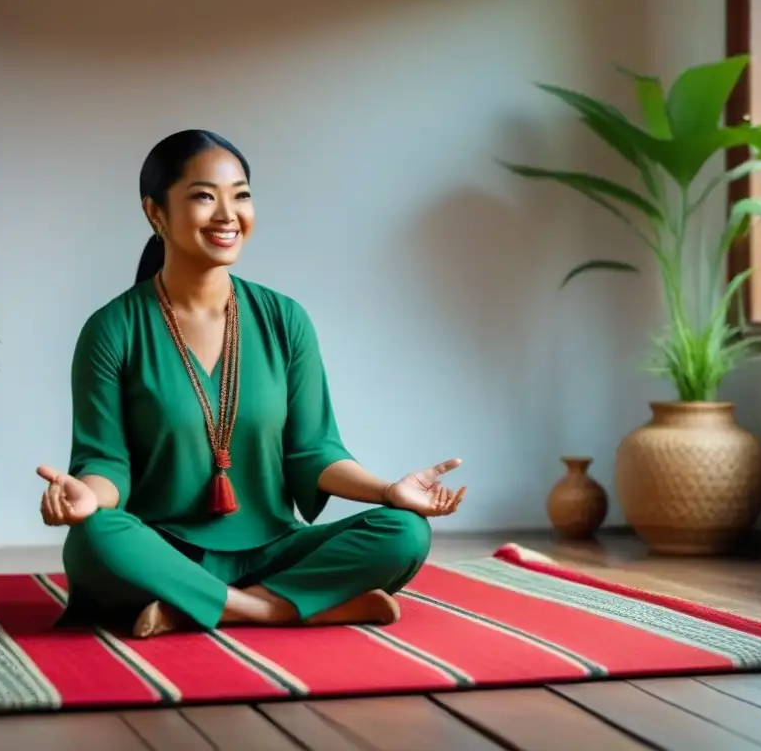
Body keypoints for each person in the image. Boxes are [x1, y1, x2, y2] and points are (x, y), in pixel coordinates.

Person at [35, 130, 467, 638]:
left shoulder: (285, 319)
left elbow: (314, 452)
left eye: (240, 194)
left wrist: (390, 491)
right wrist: (87, 498)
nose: (227, 214)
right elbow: (106, 461)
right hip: (158, 551)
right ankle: (283, 607)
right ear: (155, 213)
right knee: (96, 538)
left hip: (272, 550)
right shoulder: (113, 329)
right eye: (204, 196)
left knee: (404, 532)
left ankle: (208, 608)